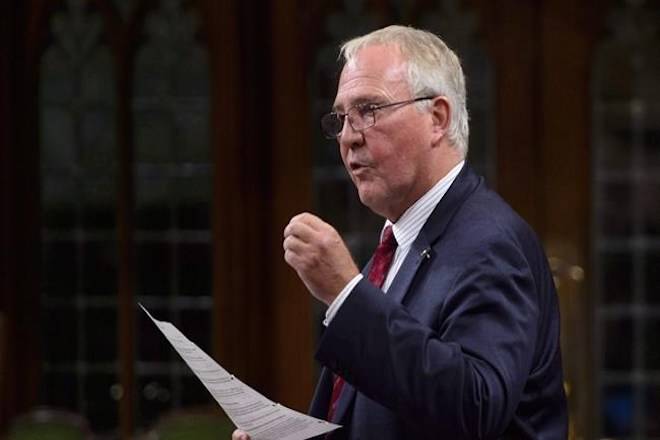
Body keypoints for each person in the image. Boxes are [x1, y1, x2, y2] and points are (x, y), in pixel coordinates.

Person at [233, 25, 567, 439]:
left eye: (369, 110)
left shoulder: (491, 242)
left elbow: (476, 407)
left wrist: (345, 293)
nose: (349, 137)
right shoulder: (400, 241)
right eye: (341, 117)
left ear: (437, 118)